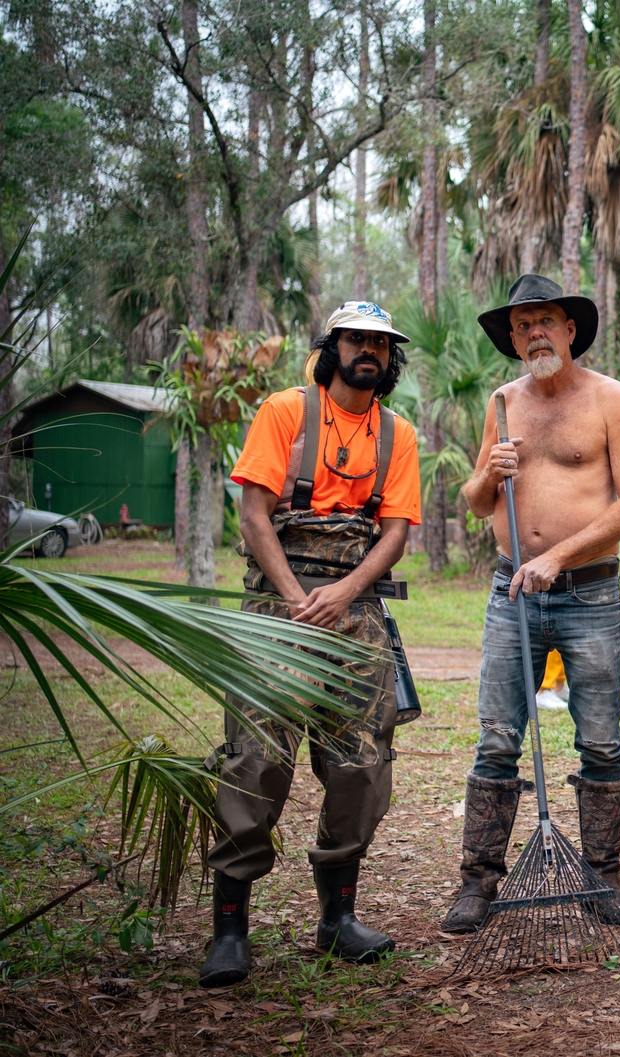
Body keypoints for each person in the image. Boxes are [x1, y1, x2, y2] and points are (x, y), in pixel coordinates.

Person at [201, 301, 422, 987]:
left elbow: (394, 533)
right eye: (356, 340)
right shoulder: (284, 412)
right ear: (332, 347)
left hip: (355, 612)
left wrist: (345, 592)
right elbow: (253, 513)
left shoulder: (398, 434)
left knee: (362, 767)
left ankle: (337, 920)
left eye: (381, 346)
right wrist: (298, 598)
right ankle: (230, 931)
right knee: (256, 763)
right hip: (278, 608)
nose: (369, 353)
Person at [441, 274, 620, 933]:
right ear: (512, 337)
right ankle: (478, 881)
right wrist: (487, 474)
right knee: (498, 737)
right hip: (512, 595)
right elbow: (474, 503)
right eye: (523, 323)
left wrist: (558, 556)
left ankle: (603, 875)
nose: (535, 331)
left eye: (546, 320)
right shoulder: (502, 402)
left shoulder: (612, 399)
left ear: (569, 330)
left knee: (601, 739)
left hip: (589, 594)